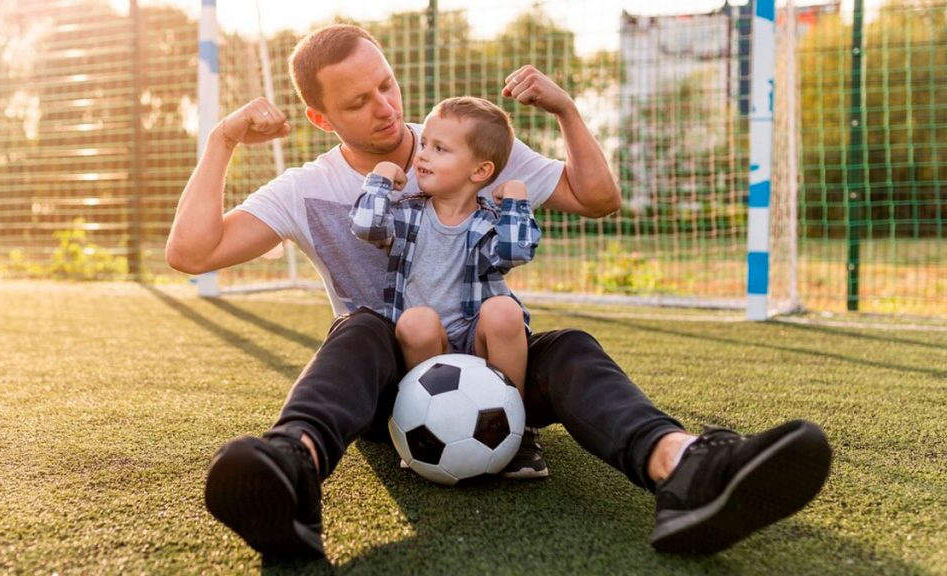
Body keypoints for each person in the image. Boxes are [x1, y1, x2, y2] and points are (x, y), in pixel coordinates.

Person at [166, 24, 832, 560]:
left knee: (568, 346)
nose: (387, 109)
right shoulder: (307, 189)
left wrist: (567, 110)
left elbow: (596, 197)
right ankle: (291, 471)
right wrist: (223, 139)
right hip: (390, 384)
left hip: (497, 368)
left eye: (387, 85)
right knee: (360, 328)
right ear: (319, 116)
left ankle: (685, 470)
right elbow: (190, 252)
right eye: (358, 102)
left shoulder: (461, 140)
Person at [350, 96, 538, 402]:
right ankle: (430, 413)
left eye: (439, 149)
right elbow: (365, 226)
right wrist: (381, 177)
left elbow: (516, 251)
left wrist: (517, 202)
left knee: (504, 310)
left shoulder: (489, 222)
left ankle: (513, 415)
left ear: (479, 171)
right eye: (423, 144)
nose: (422, 156)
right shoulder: (407, 215)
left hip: (478, 340)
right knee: (415, 321)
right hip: (426, 345)